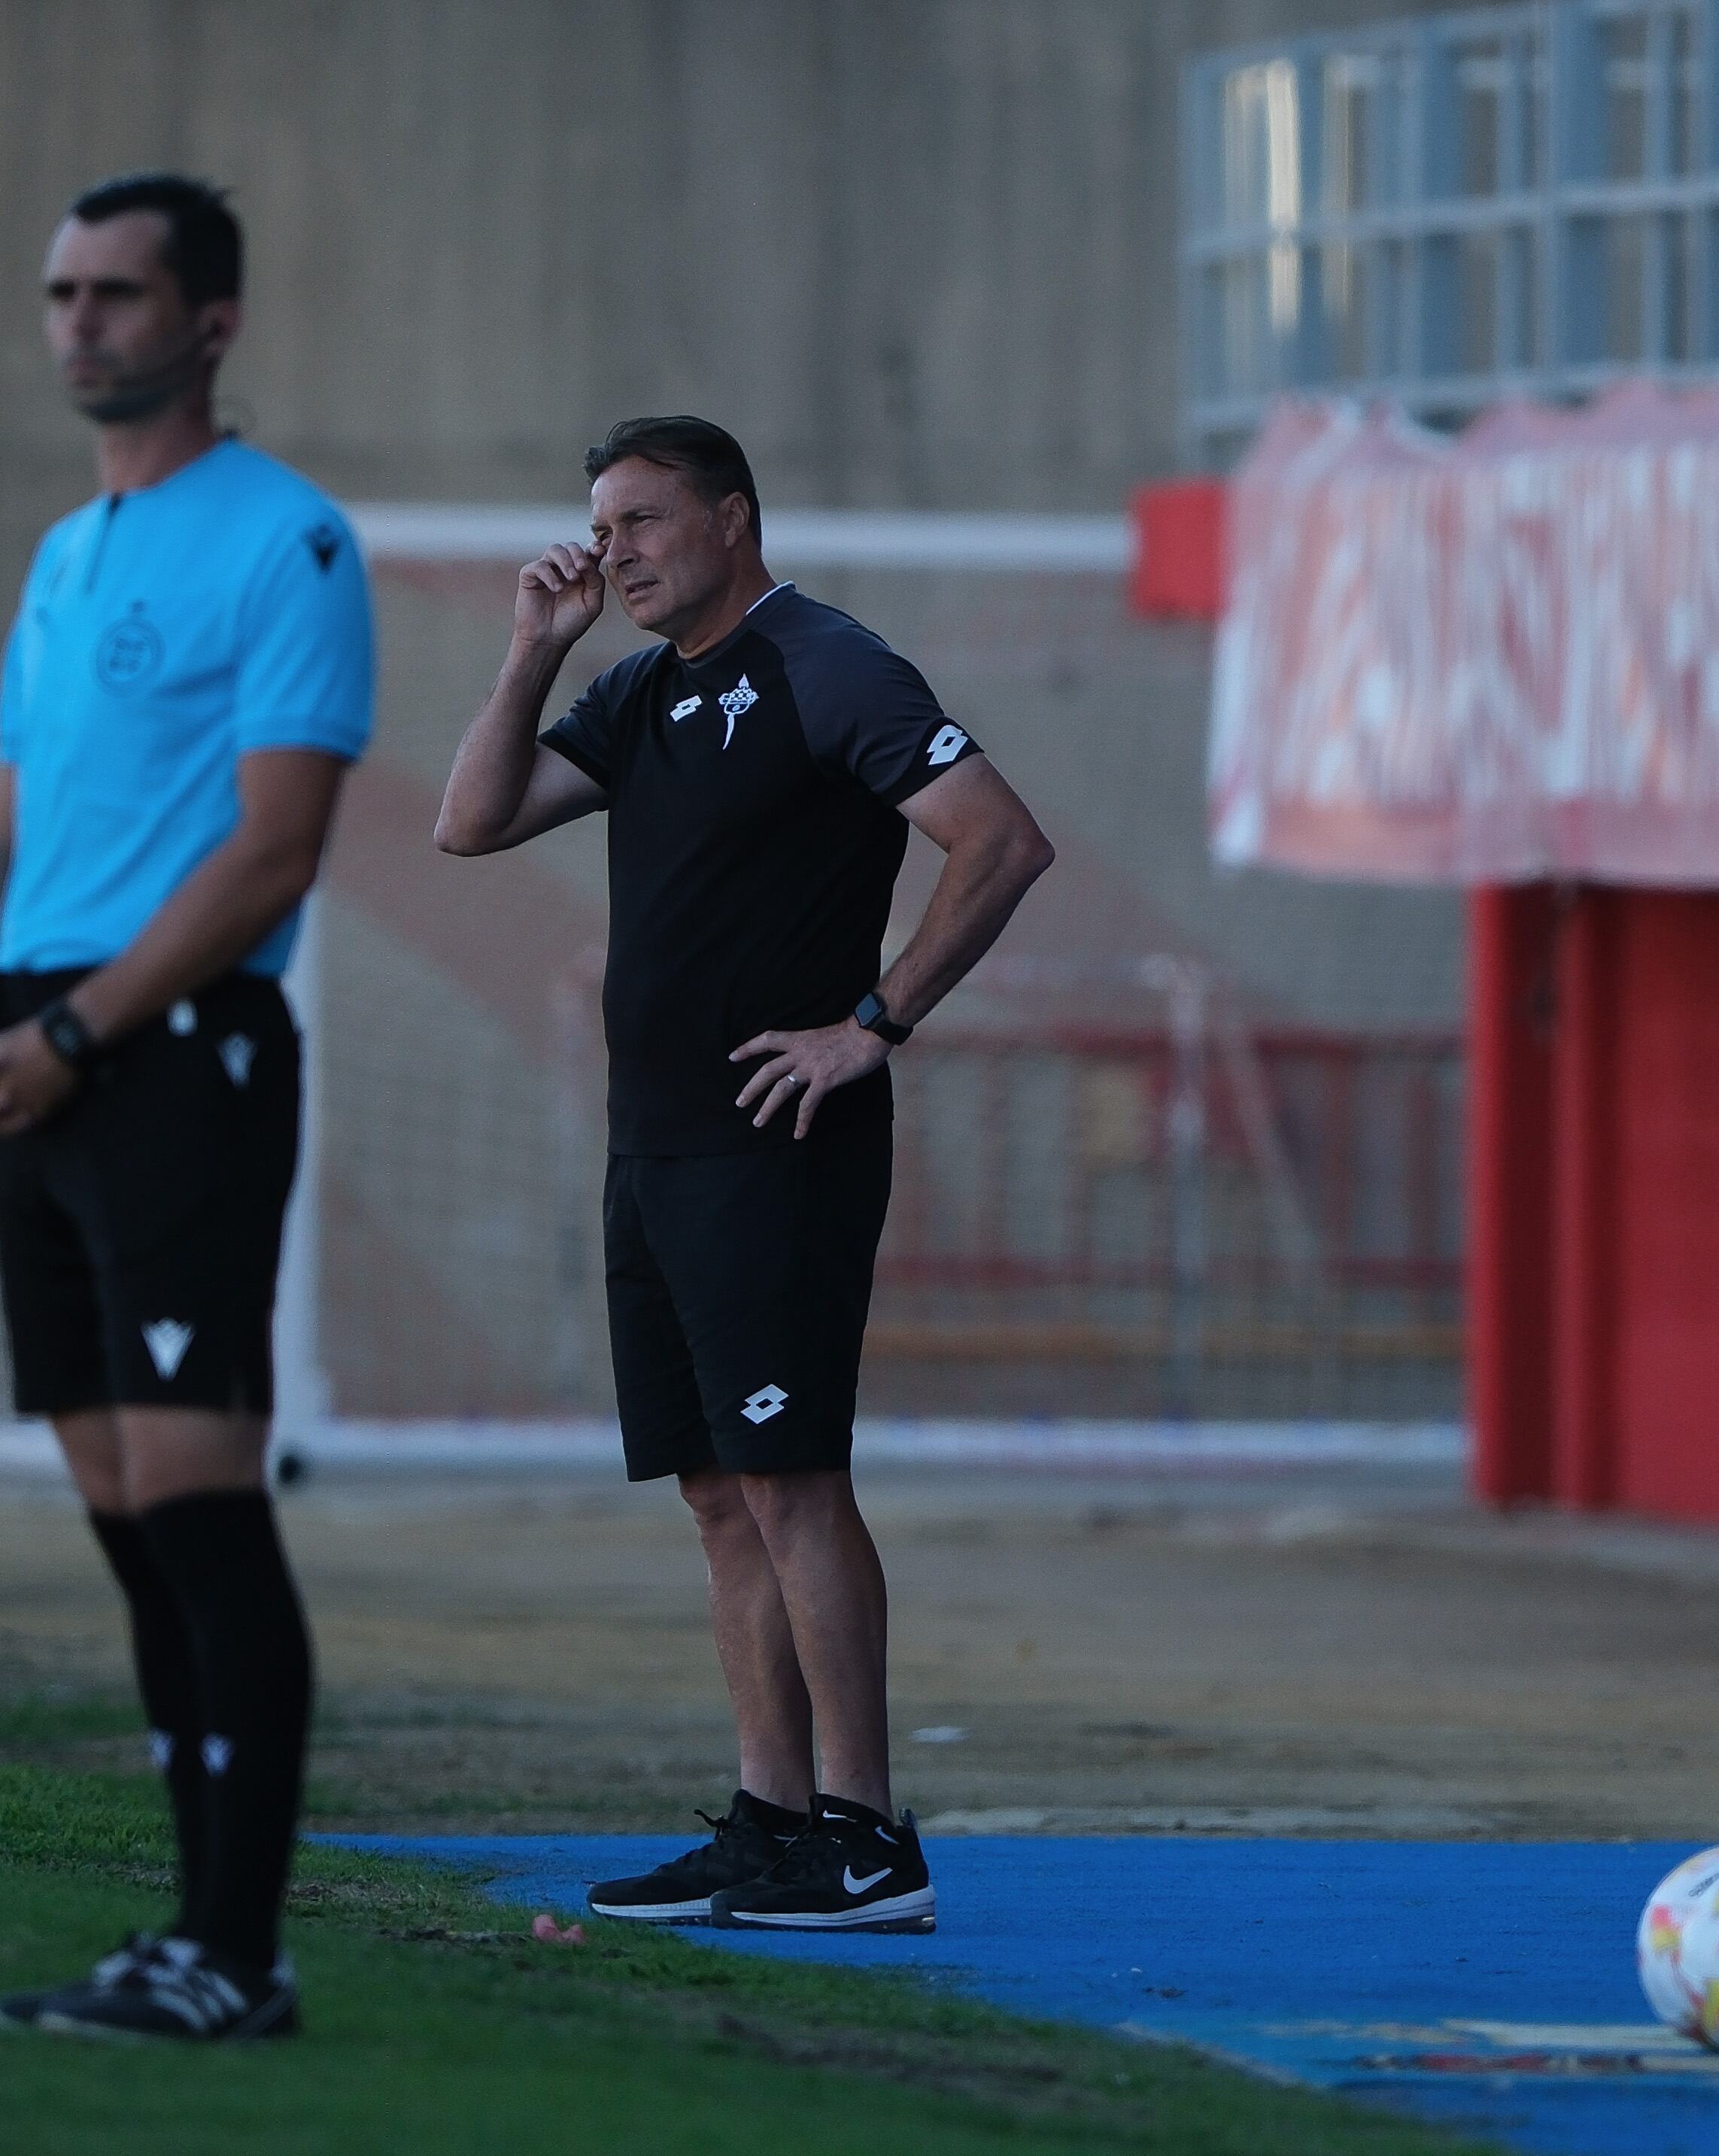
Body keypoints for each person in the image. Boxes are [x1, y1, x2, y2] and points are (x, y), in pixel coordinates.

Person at [435, 416, 1052, 1933]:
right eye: (602, 523)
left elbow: (1000, 842)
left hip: (776, 1146)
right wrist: (532, 648)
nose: (616, 548)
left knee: (790, 1483)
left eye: (644, 519)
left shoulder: (824, 663)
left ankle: (866, 1838)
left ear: (732, 516)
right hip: (653, 1145)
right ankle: (774, 1823)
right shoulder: (638, 690)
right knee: (718, 1494)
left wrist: (874, 1022)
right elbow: (470, 822)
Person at [0, 173, 372, 2040]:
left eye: (116, 291)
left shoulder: (291, 544)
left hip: (171, 1047)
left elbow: (275, 851)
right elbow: (6, 819)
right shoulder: (63, 551)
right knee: (116, 1499)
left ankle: (239, 1948)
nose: (79, 321)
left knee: (197, 1497)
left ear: (212, 322)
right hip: (40, 1042)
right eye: (59, 290)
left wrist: (85, 1036)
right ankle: (189, 1933)